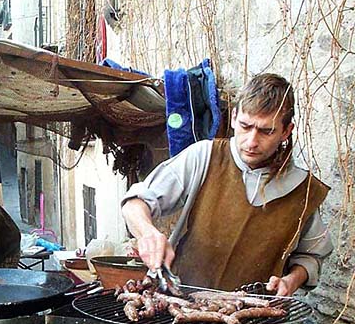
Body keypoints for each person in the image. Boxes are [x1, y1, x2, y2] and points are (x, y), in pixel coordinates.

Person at [122, 73, 332, 297]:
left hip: (255, 322)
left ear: (286, 132)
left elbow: (311, 256)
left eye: (266, 131)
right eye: (245, 126)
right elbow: (135, 203)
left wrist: (291, 281)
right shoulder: (204, 156)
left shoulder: (302, 189)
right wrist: (147, 232)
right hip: (182, 308)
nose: (251, 141)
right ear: (233, 118)